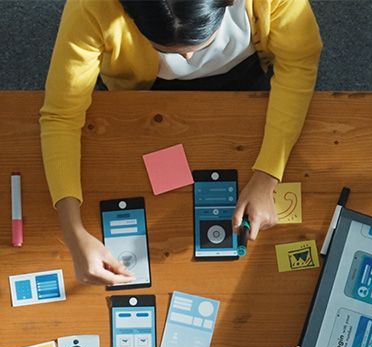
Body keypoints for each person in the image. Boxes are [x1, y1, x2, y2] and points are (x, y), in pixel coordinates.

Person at [41, 0, 322, 285]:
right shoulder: (90, 7)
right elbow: (61, 115)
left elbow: (298, 63)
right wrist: (73, 232)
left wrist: (267, 175)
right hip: (143, 94)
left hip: (246, 77)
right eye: (163, 48)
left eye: (200, 43)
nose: (188, 58)